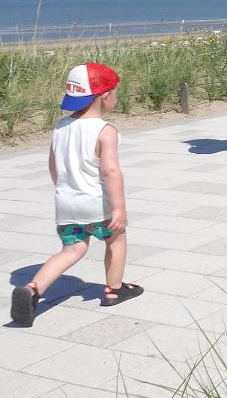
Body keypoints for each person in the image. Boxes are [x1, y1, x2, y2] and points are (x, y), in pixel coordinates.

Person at [10, 63, 142, 327]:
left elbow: (53, 165)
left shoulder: (60, 127)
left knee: (72, 249)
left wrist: (64, 188)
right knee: (116, 240)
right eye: (115, 91)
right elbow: (111, 171)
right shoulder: (105, 131)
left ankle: (33, 289)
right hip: (98, 206)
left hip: (67, 205)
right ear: (105, 96)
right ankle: (114, 289)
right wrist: (119, 209)